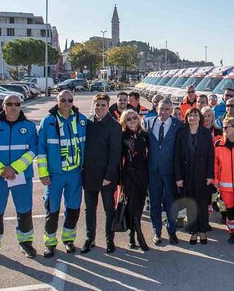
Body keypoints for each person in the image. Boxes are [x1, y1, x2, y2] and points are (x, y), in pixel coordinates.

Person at [0, 94, 37, 265]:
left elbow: (33, 149)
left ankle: (26, 243)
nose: (13, 107)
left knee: (24, 210)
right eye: (9, 104)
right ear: (3, 106)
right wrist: (1, 170)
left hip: (21, 176)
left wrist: (15, 168)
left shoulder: (29, 127)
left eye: (17, 104)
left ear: (21, 106)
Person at [37, 90, 87, 258]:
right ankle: (50, 243)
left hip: (75, 174)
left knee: (73, 209)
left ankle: (68, 240)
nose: (66, 103)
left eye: (69, 100)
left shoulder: (81, 120)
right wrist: (43, 174)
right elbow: (41, 150)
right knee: (52, 210)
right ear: (57, 100)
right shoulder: (48, 122)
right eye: (63, 100)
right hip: (55, 176)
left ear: (73, 101)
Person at [81, 94, 122, 254]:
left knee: (108, 210)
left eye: (103, 105)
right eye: (97, 104)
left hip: (106, 176)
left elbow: (115, 153)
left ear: (108, 106)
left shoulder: (114, 126)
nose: (100, 107)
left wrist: (109, 175)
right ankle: (90, 239)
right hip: (89, 174)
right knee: (89, 209)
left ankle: (109, 240)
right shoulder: (88, 123)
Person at [143, 99, 183, 245]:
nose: (163, 112)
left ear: (171, 110)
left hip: (170, 171)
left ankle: (172, 231)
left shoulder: (178, 125)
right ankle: (156, 231)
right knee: (154, 202)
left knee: (171, 203)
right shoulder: (148, 122)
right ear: (156, 107)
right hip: (153, 171)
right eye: (161, 108)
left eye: (167, 109)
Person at [174, 107, 215, 244]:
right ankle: (193, 231)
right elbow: (177, 156)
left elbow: (210, 155)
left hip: (203, 175)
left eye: (196, 115)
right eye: (190, 115)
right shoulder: (181, 133)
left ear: (200, 117)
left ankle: (202, 230)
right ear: (186, 118)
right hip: (187, 174)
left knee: (202, 204)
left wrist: (210, 175)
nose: (193, 117)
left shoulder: (206, 133)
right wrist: (178, 177)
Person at [120, 109, 150, 251]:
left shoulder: (144, 135)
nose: (132, 121)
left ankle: (132, 234)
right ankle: (139, 235)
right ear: (124, 122)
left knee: (139, 205)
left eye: (134, 118)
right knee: (132, 206)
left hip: (143, 175)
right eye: (129, 119)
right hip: (129, 175)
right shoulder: (122, 136)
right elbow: (119, 159)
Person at [214, 117, 234, 244]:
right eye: (223, 127)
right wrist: (216, 180)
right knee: (230, 211)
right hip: (225, 186)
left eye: (227, 127)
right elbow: (215, 164)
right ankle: (233, 232)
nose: (224, 129)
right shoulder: (218, 144)